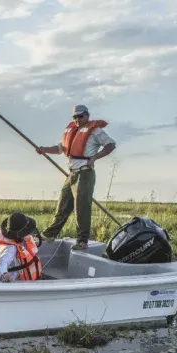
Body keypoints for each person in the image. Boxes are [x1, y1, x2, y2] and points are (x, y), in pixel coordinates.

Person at [35, 104, 116, 250]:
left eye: (80, 116)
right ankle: (49, 234)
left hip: (85, 173)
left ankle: (82, 241)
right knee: (62, 206)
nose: (77, 119)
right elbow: (60, 148)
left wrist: (95, 158)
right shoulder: (71, 131)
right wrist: (44, 150)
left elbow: (110, 145)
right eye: (74, 117)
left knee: (81, 207)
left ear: (87, 115)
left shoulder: (96, 131)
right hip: (72, 174)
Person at [0, 212, 42, 282]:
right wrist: (4, 274)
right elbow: (2, 262)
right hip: (14, 282)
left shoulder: (21, 241)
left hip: (24, 279)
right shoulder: (11, 248)